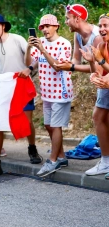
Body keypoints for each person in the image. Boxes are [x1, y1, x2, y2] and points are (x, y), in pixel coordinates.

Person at [0, 13, 42, 179]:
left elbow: (34, 60)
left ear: (3, 26)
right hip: (4, 86)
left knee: (27, 121)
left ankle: (32, 148)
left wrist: (28, 67)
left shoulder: (17, 39)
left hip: (21, 83)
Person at [25, 14, 73, 177]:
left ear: (56, 26)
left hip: (61, 91)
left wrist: (42, 49)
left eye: (47, 26)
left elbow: (59, 66)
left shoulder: (64, 44)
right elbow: (30, 63)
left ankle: (52, 161)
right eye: (42, 27)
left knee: (56, 126)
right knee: (48, 125)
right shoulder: (41, 43)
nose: (44, 30)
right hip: (46, 92)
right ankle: (61, 157)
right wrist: (29, 48)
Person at [80, 13, 109, 178]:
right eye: (101, 26)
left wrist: (101, 62)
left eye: (106, 25)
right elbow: (99, 72)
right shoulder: (103, 47)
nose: (102, 29)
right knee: (98, 116)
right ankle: (105, 162)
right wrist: (92, 62)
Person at [55, 4, 102, 73]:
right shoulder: (77, 34)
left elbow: (98, 68)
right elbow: (76, 60)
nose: (65, 22)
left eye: (67, 18)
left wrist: (72, 67)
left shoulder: (97, 37)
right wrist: (68, 64)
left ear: (77, 18)